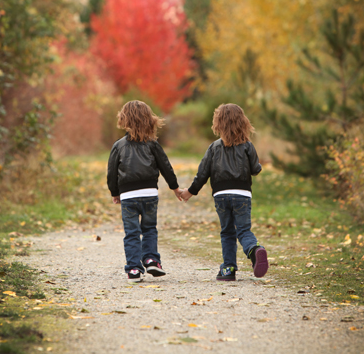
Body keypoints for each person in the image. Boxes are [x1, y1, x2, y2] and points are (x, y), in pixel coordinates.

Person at [180, 103, 268, 281]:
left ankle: (228, 270)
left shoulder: (214, 147)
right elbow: (255, 169)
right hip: (242, 194)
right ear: (243, 123)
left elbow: (202, 173)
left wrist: (190, 191)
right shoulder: (248, 146)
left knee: (227, 231)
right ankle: (255, 249)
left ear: (218, 124)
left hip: (221, 195)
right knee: (243, 230)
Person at [107, 100, 182, 283]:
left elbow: (111, 172)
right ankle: (151, 260)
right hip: (149, 194)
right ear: (149, 120)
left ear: (124, 120)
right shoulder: (153, 145)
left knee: (132, 232)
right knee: (149, 229)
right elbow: (166, 167)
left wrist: (115, 192)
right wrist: (175, 187)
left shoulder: (119, 146)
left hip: (128, 196)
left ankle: (133, 269)